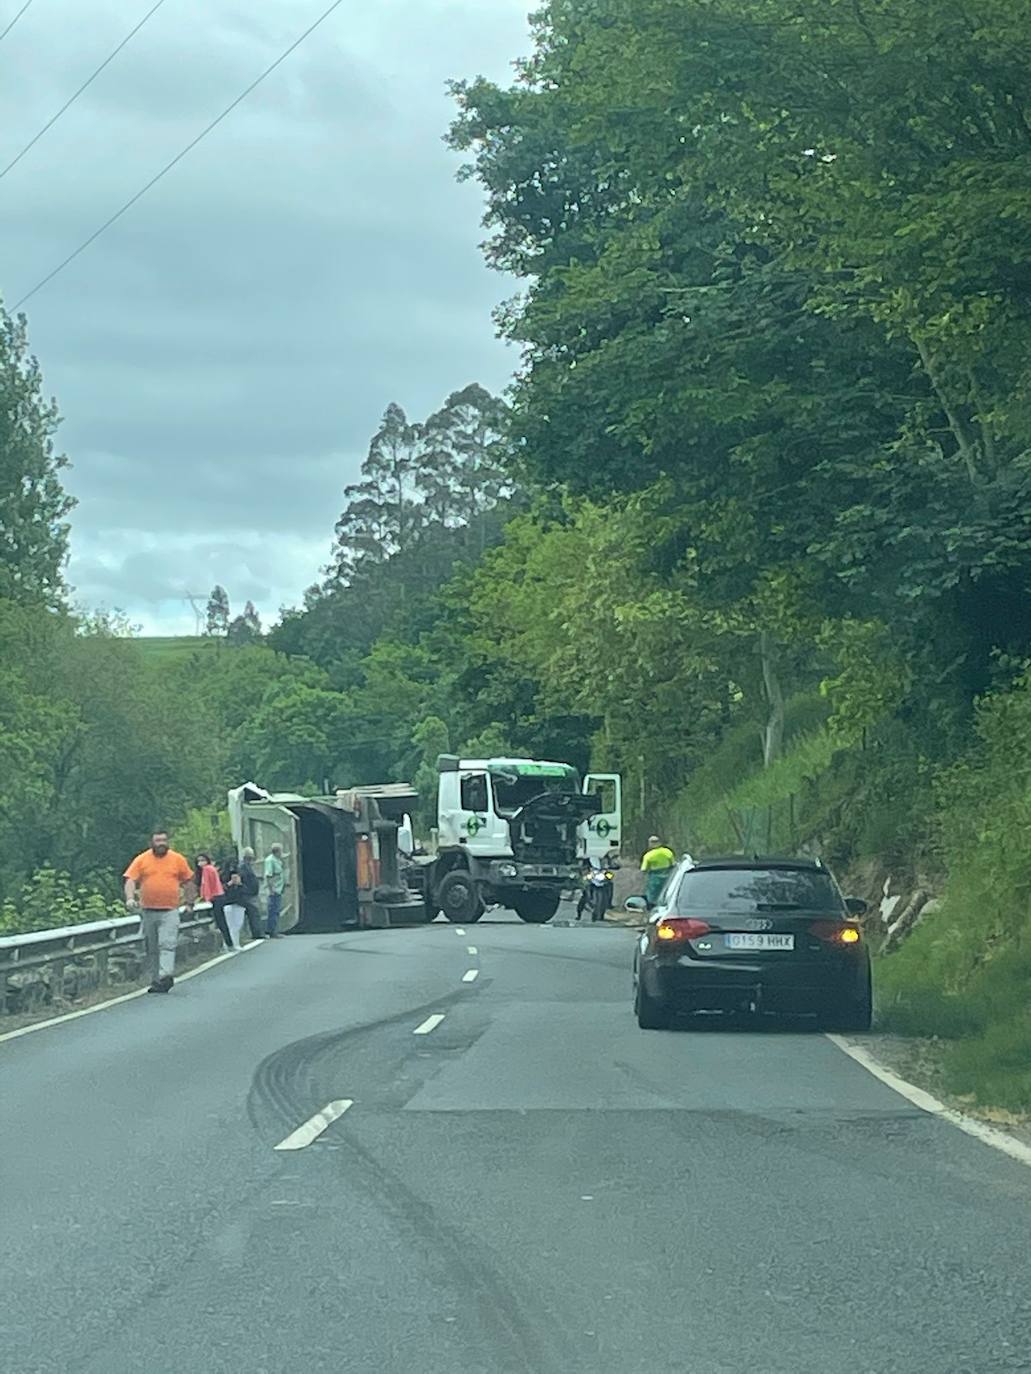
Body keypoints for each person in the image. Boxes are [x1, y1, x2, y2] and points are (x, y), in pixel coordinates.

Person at [124, 831, 194, 993]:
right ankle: (156, 980)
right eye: (158, 840)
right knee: (152, 947)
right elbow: (130, 879)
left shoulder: (177, 859)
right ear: (152, 842)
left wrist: (190, 903)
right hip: (148, 910)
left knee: (166, 943)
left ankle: (166, 975)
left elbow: (188, 881)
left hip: (170, 910)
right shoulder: (142, 860)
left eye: (164, 840)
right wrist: (129, 897)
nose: (161, 843)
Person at [195, 853, 230, 950]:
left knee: (219, 922)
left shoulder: (206, 869)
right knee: (222, 921)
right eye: (199, 861)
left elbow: (206, 885)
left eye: (202, 860)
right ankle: (228, 943)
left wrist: (205, 898)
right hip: (220, 895)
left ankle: (226, 944)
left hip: (215, 897)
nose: (200, 863)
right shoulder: (212, 868)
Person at [640, 834, 676, 907]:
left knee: (653, 893)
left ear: (650, 844)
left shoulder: (648, 855)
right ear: (659, 842)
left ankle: (652, 907)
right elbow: (673, 864)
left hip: (654, 877)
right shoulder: (668, 852)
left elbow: (644, 869)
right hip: (668, 876)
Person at [238, 847, 264, 941]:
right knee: (254, 912)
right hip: (247, 894)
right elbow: (243, 880)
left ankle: (257, 932)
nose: (251, 860)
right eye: (250, 857)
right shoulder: (243, 867)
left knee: (255, 913)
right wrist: (246, 890)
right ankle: (257, 933)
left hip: (250, 893)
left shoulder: (247, 866)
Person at [263, 843, 286, 938]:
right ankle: (272, 931)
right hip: (274, 890)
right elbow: (269, 876)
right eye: (281, 851)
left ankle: (274, 930)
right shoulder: (270, 860)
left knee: (276, 911)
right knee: (273, 911)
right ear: (277, 851)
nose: (282, 853)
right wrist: (271, 889)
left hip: (279, 889)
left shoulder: (278, 860)